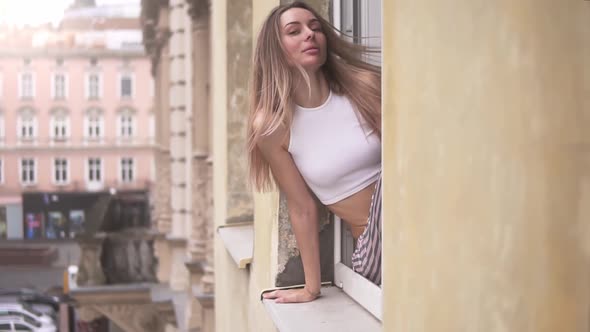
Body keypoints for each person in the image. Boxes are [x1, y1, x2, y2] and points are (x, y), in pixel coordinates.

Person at [247, 1, 382, 304]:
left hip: (413, 224)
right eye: (295, 31)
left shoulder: (363, 87)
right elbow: (302, 208)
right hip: (377, 252)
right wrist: (311, 288)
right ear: (275, 50)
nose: (309, 34)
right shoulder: (273, 126)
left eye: (315, 28)